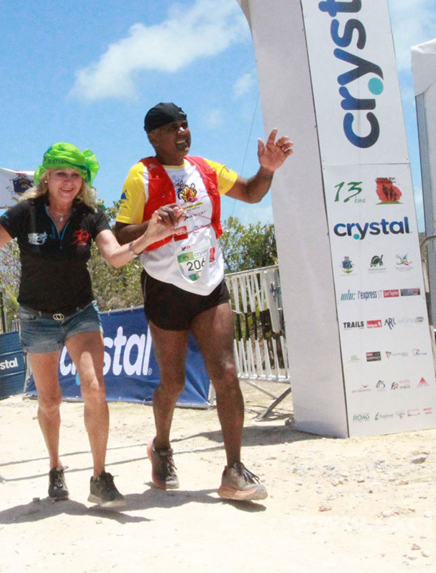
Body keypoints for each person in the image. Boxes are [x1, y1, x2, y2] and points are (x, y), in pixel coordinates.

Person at [0, 142, 183, 509]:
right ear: (46, 177)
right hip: (35, 317)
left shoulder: (90, 215)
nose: (68, 182)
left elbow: (114, 257)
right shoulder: (25, 213)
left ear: (82, 181)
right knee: (50, 400)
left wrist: (149, 236)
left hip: (80, 312)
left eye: (75, 175)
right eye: (61, 174)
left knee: (94, 388)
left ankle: (100, 477)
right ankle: (56, 466)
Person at [113, 102, 293, 501]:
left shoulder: (207, 168)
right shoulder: (141, 174)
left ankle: (234, 470)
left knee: (226, 372)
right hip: (165, 285)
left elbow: (250, 192)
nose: (183, 132)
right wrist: (155, 223)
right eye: (173, 128)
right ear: (153, 136)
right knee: (173, 381)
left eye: (186, 124)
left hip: (210, 282)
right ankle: (161, 446)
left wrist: (268, 170)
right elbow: (120, 234)